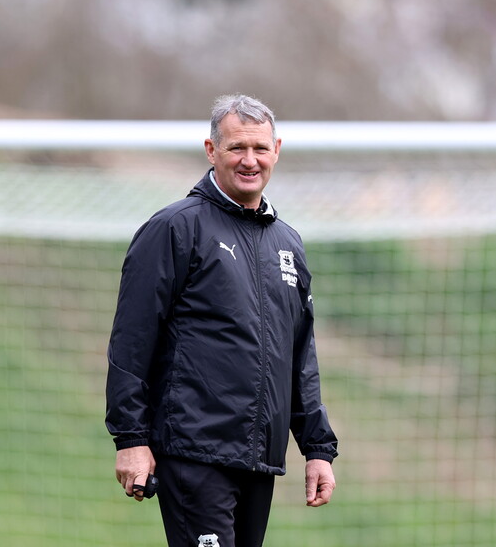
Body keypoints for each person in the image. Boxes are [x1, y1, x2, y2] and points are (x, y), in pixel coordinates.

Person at [106, 94, 338, 547]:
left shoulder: (288, 242)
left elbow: (299, 356)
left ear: (277, 150)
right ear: (212, 151)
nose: (249, 160)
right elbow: (131, 341)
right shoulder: (174, 228)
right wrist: (130, 439)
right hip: (194, 453)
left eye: (260, 148)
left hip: (259, 461)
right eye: (236, 148)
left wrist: (317, 449)